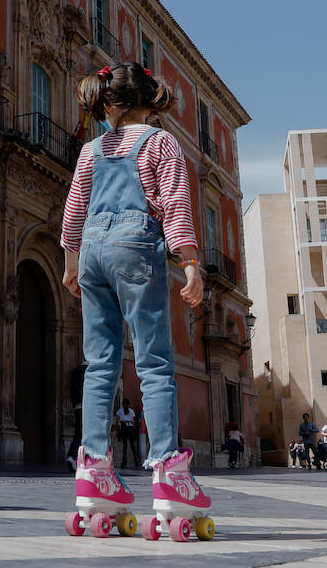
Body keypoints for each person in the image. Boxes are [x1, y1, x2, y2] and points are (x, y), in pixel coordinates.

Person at [59, 62, 209, 526]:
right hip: (135, 247)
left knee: (99, 364)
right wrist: (190, 264)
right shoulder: (161, 142)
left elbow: (73, 211)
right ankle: (168, 472)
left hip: (91, 252)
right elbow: (176, 204)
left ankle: (93, 469)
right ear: (148, 101)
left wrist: (70, 264)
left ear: (108, 105)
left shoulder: (92, 151)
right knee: (155, 363)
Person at [65, 362, 88, 472]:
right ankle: (80, 458)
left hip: (78, 405)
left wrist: (75, 403)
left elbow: (71, 389)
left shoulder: (76, 370)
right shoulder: (90, 370)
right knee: (87, 433)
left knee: (78, 433)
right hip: (88, 405)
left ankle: (72, 456)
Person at [114, 398, 141, 468]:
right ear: (128, 404)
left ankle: (124, 463)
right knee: (133, 446)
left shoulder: (120, 411)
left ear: (122, 404)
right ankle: (136, 462)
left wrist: (118, 430)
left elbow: (117, 421)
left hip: (124, 428)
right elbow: (134, 422)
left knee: (125, 446)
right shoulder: (131, 411)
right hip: (130, 428)